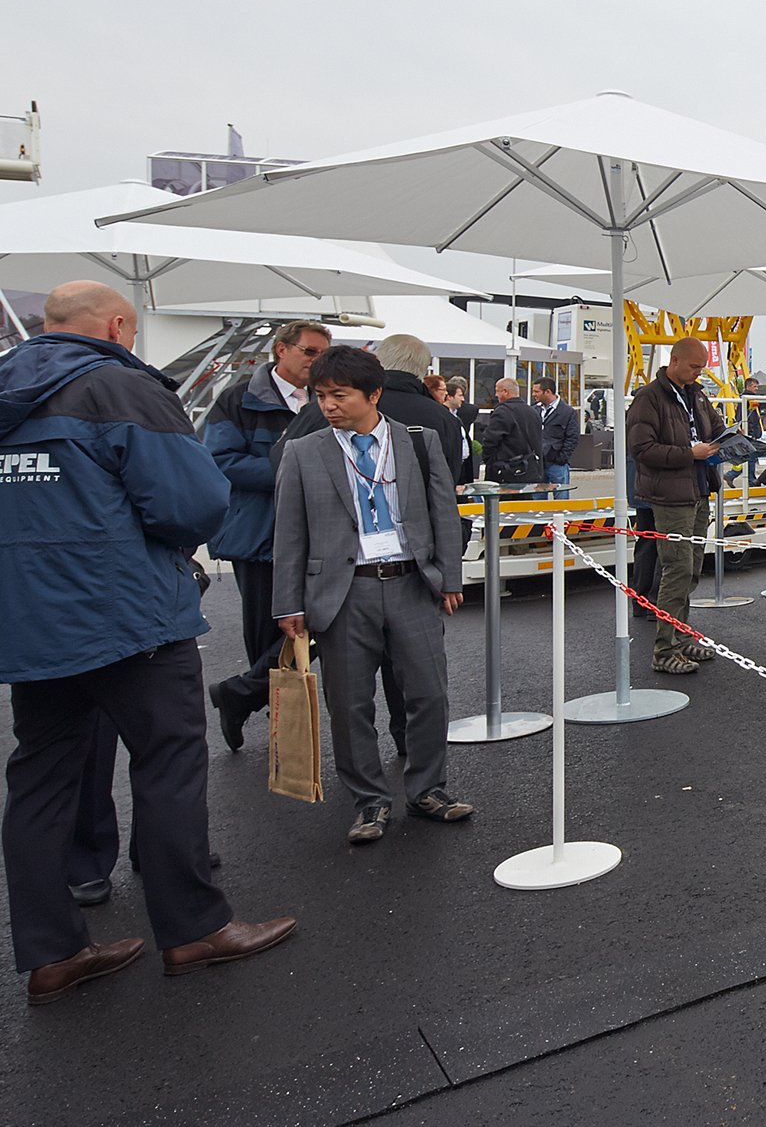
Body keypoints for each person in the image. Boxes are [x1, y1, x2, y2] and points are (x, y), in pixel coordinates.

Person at [1, 281, 296, 1003]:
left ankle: (50, 951)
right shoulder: (118, 386)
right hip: (126, 611)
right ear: (117, 324)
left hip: (29, 621)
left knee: (39, 782)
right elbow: (193, 500)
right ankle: (193, 926)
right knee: (167, 763)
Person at [273, 346, 469, 844]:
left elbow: (445, 512)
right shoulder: (304, 452)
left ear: (374, 394)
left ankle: (428, 788)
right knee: (350, 702)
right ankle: (369, 800)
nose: (329, 406)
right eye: (321, 396)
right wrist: (288, 603)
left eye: (340, 395)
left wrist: (449, 577)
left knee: (428, 693)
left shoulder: (418, 444)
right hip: (342, 592)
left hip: (409, 583)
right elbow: (289, 533)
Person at [202, 319, 332, 751]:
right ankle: (277, 726)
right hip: (260, 534)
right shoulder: (238, 400)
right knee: (267, 632)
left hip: (320, 536)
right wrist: (292, 469)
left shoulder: (327, 399)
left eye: (322, 354)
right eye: (310, 352)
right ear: (282, 350)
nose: (317, 362)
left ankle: (239, 694)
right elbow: (220, 461)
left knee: (319, 624)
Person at [627, 339, 727, 675]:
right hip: (671, 496)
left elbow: (715, 429)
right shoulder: (649, 397)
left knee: (690, 570)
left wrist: (731, 440)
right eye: (694, 367)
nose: (699, 373)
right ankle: (664, 649)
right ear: (675, 360)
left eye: (701, 368)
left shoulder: (696, 394)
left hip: (698, 491)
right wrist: (690, 454)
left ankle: (681, 640)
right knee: (677, 570)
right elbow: (641, 449)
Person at [477, 377, 544, 486]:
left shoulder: (502, 412)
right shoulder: (533, 412)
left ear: (505, 392)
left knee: (503, 502)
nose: (495, 395)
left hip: (506, 472)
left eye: (497, 391)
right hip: (529, 471)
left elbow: (490, 440)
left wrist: (489, 462)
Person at [532, 378, 581, 501]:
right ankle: (540, 521)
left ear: (547, 392)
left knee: (561, 499)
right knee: (537, 501)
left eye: (536, 391)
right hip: (537, 464)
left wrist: (561, 458)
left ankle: (561, 521)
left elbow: (572, 437)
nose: (533, 394)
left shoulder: (568, 412)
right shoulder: (534, 410)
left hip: (557, 464)